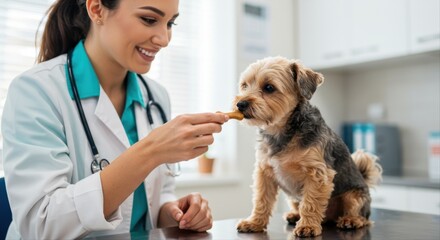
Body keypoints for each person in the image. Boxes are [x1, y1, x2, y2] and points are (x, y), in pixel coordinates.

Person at [1, 0, 229, 238]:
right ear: (97, 9)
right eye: (149, 20)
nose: (163, 39)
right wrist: (150, 152)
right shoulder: (35, 90)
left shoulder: (156, 97)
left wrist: (173, 212)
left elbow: (156, 196)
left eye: (170, 23)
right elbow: (42, 224)